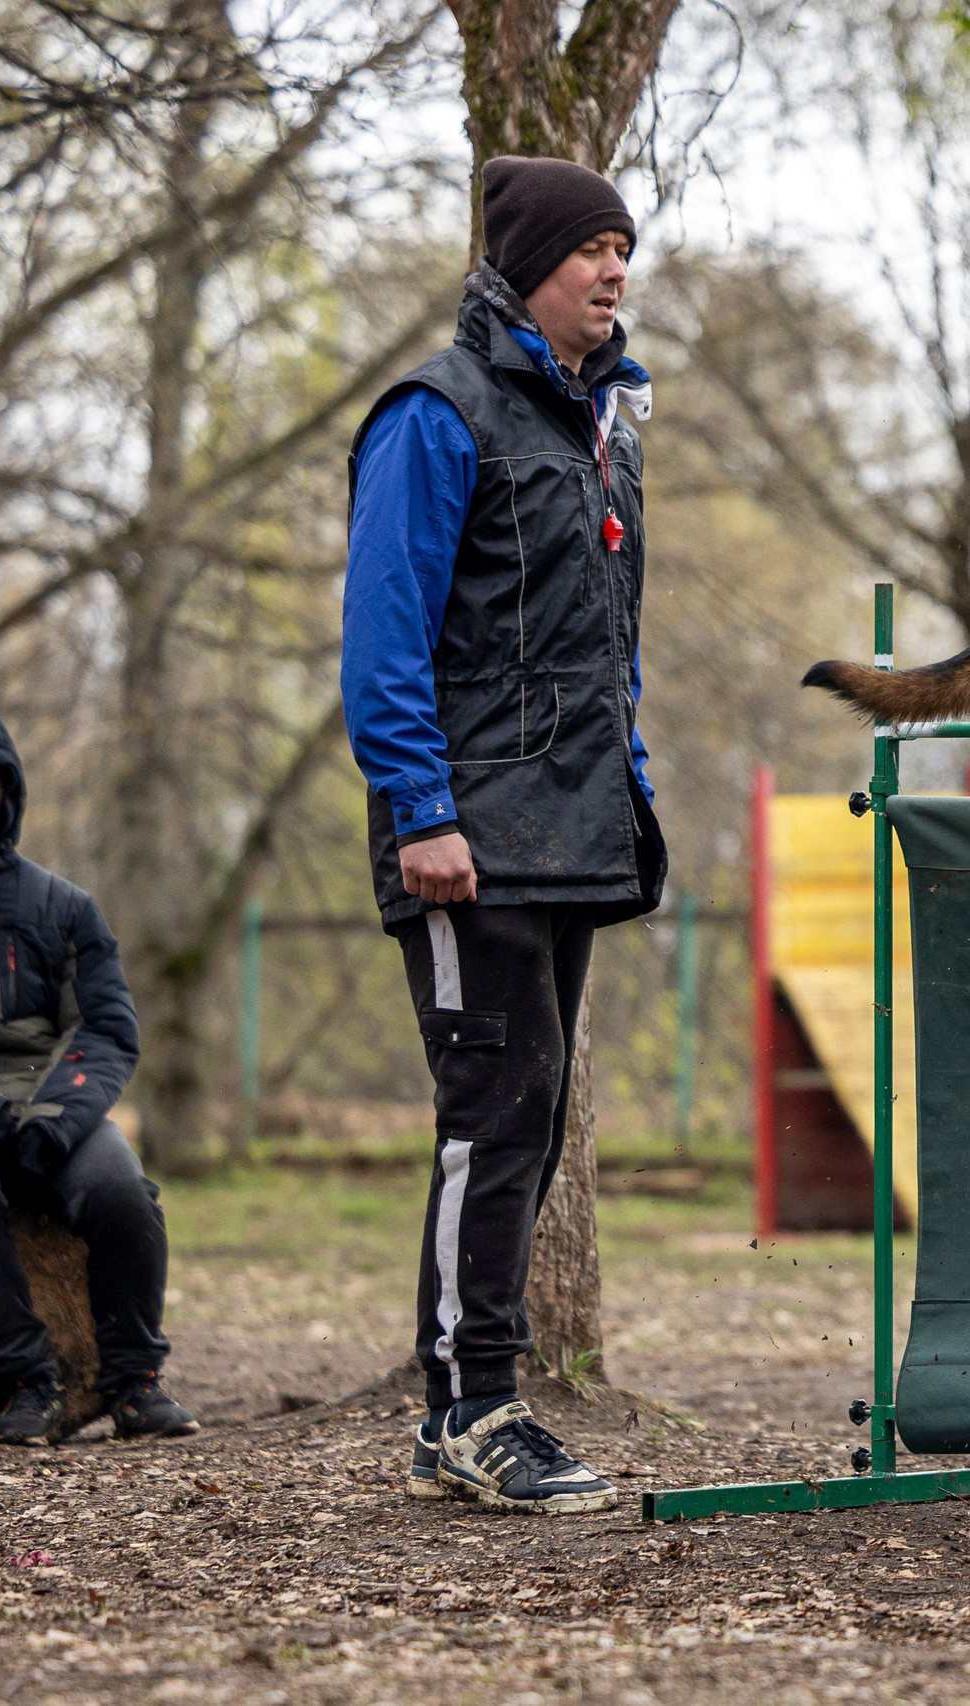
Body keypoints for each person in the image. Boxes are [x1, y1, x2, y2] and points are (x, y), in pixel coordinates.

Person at [342, 156, 666, 1514]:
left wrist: (629, 779)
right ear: (529, 263)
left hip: (575, 827)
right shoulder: (435, 413)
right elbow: (384, 634)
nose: (615, 270)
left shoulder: (607, 424)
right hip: (465, 835)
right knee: (493, 1111)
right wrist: (422, 810)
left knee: (530, 1114)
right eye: (592, 247)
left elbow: (607, 645)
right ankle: (473, 1404)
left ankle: (463, 1413)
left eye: (625, 249)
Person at [0, 709, 191, 1446]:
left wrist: (55, 1120)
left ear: (9, 794)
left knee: (122, 1189)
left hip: (48, 1108)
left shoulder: (61, 906)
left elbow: (105, 1029)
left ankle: (134, 1382)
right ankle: (26, 1383)